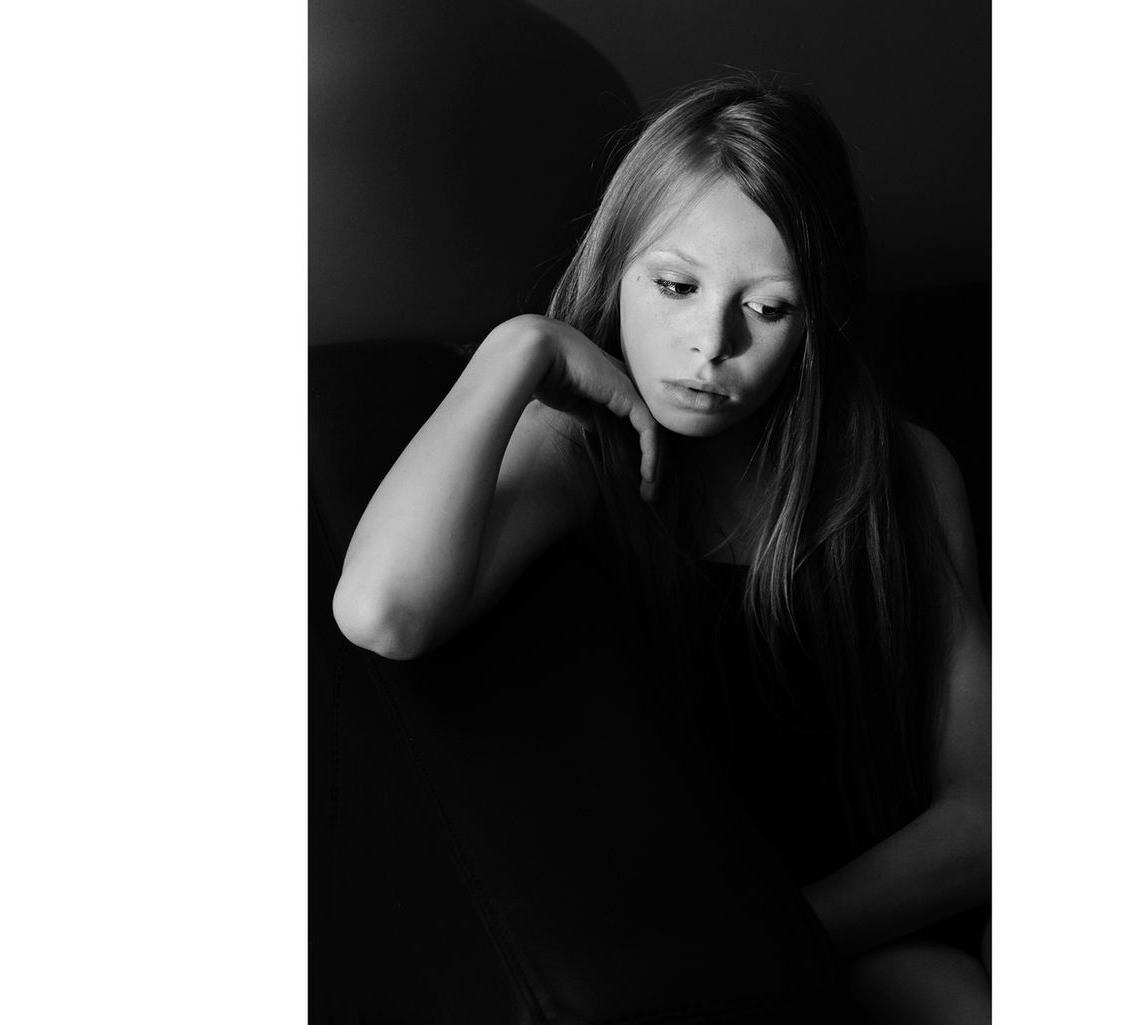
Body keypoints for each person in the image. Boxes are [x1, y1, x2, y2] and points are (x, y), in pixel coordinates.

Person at [333, 74, 991, 1024]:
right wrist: (519, 349)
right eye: (676, 286)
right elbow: (382, 611)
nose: (709, 345)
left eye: (768, 308)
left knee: (943, 991)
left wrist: (780, 941)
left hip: (854, 922)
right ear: (616, 264)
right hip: (675, 957)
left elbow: (984, 814)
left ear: (817, 319)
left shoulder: (902, 471)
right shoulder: (576, 450)